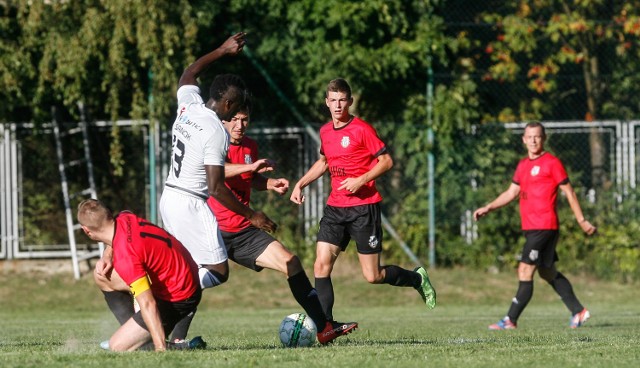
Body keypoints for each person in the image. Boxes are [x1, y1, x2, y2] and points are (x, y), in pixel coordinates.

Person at [199, 100, 357, 344]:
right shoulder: (216, 142)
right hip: (211, 229)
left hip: (243, 232)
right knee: (187, 280)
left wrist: (269, 183)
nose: (240, 125)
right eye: (234, 120)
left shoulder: (250, 145)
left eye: (244, 119)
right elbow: (216, 172)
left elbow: (245, 178)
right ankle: (174, 338)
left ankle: (324, 328)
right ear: (223, 120)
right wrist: (252, 167)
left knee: (291, 262)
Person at [289, 78, 437, 328]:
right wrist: (300, 183)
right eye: (333, 100)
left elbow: (387, 161)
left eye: (342, 100)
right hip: (335, 208)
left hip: (363, 209)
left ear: (350, 101)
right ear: (327, 102)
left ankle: (416, 279)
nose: (337, 105)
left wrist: (361, 180)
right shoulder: (325, 131)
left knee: (373, 275)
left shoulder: (362, 129)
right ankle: (327, 327)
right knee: (321, 264)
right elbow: (324, 162)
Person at [159, 32, 276, 296]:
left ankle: (169, 330)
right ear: (228, 104)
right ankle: (158, 292)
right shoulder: (215, 131)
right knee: (217, 271)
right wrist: (252, 215)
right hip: (191, 203)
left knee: (187, 264)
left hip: (169, 197)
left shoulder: (188, 106)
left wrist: (222, 50)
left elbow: (189, 73)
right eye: (235, 108)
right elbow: (216, 187)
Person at [473, 121, 597, 330]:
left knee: (524, 270)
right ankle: (579, 311)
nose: (533, 140)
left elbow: (569, 192)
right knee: (547, 272)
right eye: (529, 137)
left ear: (544, 138)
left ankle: (510, 320)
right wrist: (489, 207)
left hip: (545, 226)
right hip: (532, 227)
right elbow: (511, 193)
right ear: (523, 140)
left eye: (537, 136)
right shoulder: (522, 165)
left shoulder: (552, 163)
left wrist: (581, 220)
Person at [78, 199, 204, 351]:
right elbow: (125, 214)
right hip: (182, 276)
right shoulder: (124, 218)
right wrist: (107, 254)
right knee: (102, 275)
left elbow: (148, 303)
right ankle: (134, 332)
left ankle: (173, 346)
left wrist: (160, 347)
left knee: (118, 346)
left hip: (180, 297)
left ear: (86, 230)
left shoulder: (126, 257)